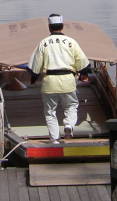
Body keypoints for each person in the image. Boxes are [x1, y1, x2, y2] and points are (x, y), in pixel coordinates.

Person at [27, 14, 92, 143]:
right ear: (62, 26)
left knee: (50, 112)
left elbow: (35, 66)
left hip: (50, 81)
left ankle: (54, 139)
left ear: (49, 27)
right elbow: (82, 62)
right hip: (67, 80)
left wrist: (34, 78)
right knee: (71, 106)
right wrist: (84, 74)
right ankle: (68, 125)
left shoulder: (43, 43)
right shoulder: (71, 42)